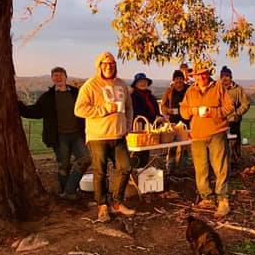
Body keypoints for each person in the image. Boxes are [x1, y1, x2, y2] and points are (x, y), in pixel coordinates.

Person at [74, 52, 135, 222]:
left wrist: (128, 125)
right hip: (98, 136)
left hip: (119, 135)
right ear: (99, 65)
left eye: (112, 64)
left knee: (126, 167)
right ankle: (102, 206)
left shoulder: (121, 84)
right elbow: (79, 109)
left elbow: (129, 107)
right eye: (105, 64)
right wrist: (104, 110)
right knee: (100, 172)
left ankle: (117, 202)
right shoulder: (91, 85)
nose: (109, 67)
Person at [18, 66, 90, 200]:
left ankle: (69, 190)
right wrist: (19, 106)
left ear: (65, 77)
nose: (58, 77)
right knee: (64, 165)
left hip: (77, 135)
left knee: (86, 159)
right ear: (52, 79)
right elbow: (36, 111)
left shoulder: (76, 93)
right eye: (55, 75)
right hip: (59, 136)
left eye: (60, 75)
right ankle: (67, 194)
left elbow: (87, 109)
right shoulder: (48, 97)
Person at [180, 61, 234, 218]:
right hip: (197, 135)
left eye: (204, 73)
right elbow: (183, 112)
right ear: (194, 76)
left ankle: (223, 200)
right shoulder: (190, 91)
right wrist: (193, 111)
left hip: (217, 132)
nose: (201, 77)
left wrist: (213, 112)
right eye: (198, 74)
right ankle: (206, 197)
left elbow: (229, 107)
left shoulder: (218, 87)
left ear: (208, 74)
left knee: (220, 167)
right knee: (201, 169)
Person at [219, 65, 250, 166]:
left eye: (227, 76)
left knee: (234, 142)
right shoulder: (217, 89)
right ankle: (223, 162)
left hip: (233, 121)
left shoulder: (238, 89)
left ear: (231, 77)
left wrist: (237, 114)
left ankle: (236, 161)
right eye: (223, 76)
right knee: (221, 143)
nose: (225, 78)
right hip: (220, 121)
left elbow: (245, 104)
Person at [161, 69, 190, 172]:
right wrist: (167, 111)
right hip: (173, 122)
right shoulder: (169, 91)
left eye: (181, 78)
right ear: (173, 80)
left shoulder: (189, 89)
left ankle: (183, 166)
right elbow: (163, 105)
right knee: (172, 145)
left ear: (183, 79)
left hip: (186, 121)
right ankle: (170, 165)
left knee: (185, 146)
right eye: (177, 79)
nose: (179, 81)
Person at [130, 72, 160, 169]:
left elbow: (155, 111)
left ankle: (142, 173)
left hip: (149, 129)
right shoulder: (133, 97)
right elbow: (136, 112)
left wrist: (160, 117)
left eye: (144, 81)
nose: (143, 83)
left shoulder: (150, 96)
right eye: (140, 82)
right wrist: (152, 118)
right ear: (136, 84)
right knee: (138, 153)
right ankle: (135, 172)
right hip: (138, 128)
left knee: (146, 152)